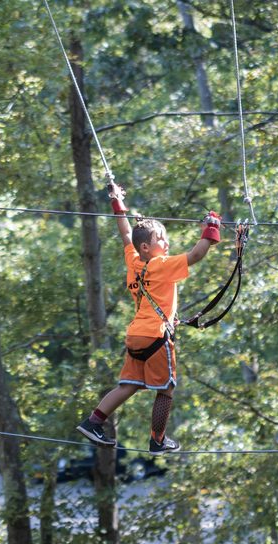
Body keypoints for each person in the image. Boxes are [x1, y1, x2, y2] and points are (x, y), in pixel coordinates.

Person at [76, 183, 221, 454]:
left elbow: (125, 234)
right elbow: (197, 254)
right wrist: (211, 226)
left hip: (135, 336)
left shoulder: (134, 261)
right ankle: (158, 439)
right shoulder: (161, 264)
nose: (167, 244)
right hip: (156, 336)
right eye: (161, 240)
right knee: (166, 390)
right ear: (146, 247)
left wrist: (117, 204)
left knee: (128, 385)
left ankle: (93, 421)